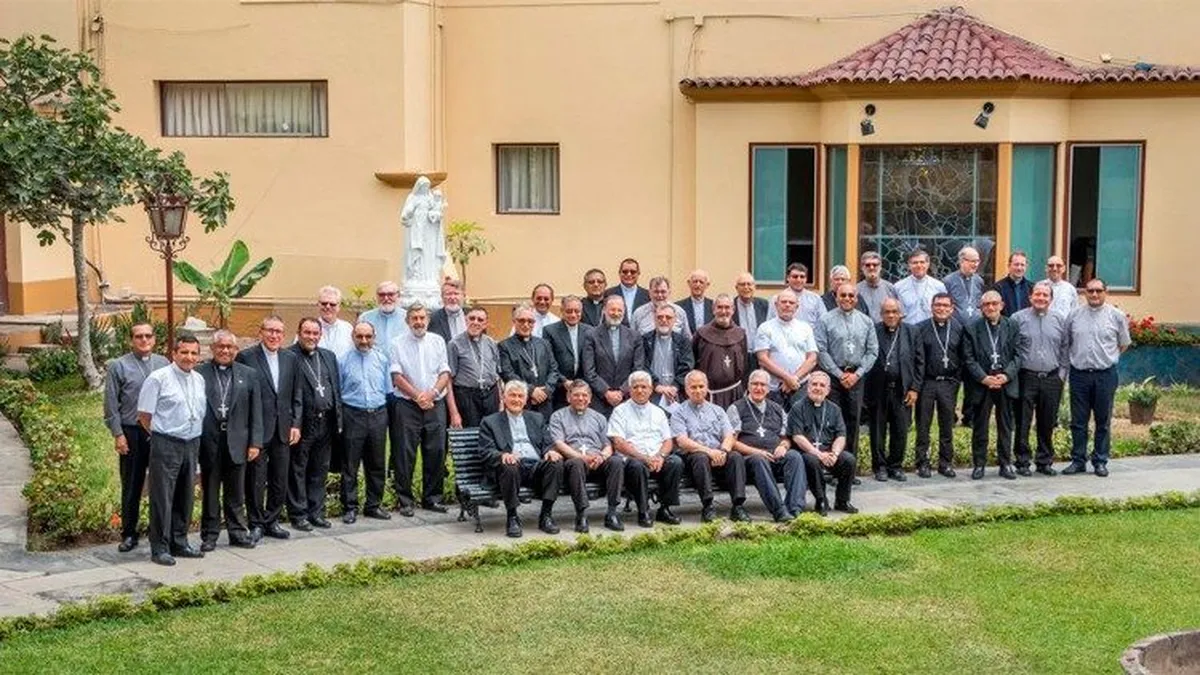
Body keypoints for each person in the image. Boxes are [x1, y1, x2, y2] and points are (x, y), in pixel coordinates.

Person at [136, 334, 206, 566]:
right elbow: (144, 415)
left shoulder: (199, 379)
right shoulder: (158, 378)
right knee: (162, 497)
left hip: (192, 442)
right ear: (174, 353)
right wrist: (162, 435)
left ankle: (180, 542)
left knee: (185, 495)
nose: (189, 357)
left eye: (194, 353)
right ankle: (160, 547)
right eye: (184, 352)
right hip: (166, 442)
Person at [103, 322, 169, 553]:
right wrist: (118, 434)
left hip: (159, 431)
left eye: (148, 336)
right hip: (131, 431)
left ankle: (160, 531)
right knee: (132, 484)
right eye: (139, 336)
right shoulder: (119, 366)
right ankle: (129, 533)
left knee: (162, 484)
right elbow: (111, 404)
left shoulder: (163, 363)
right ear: (131, 340)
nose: (144, 340)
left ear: (154, 339)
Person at [235, 315, 302, 542]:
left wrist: (296, 424)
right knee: (256, 479)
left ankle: (272, 521)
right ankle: (256, 523)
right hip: (258, 430)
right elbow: (242, 397)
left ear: (283, 335)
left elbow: (297, 394)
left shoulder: (291, 358)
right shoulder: (246, 357)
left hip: (283, 429)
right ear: (261, 332)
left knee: (279, 478)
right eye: (270, 330)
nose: (274, 335)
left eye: (278, 332)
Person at [197, 330, 263, 551]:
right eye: (221, 346)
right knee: (211, 491)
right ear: (212, 349)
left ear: (236, 350)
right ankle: (210, 535)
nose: (225, 350)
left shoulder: (249, 374)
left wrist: (255, 442)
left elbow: (256, 411)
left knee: (236, 492)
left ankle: (237, 532)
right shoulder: (200, 373)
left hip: (238, 441)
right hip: (210, 441)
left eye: (230, 347)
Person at [388, 302, 451, 515]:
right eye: (414, 318)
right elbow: (397, 376)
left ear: (428, 320)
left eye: (422, 318)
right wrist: (418, 397)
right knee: (404, 453)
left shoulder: (438, 341)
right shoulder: (397, 343)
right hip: (407, 405)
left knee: (436, 451)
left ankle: (432, 499)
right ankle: (405, 501)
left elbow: (444, 372)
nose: (418, 322)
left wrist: (431, 394)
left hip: (435, 403)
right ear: (407, 321)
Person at [478, 381, 563, 538]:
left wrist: (550, 451)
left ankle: (546, 515)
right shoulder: (490, 422)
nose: (516, 400)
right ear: (504, 398)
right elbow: (485, 451)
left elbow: (547, 443)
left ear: (525, 400)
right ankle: (512, 517)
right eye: (512, 395)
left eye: (520, 396)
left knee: (556, 463)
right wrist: (502, 455)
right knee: (509, 465)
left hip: (535, 467)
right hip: (511, 469)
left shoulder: (537, 418)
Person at [1064, 278, 1131, 477]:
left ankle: (1100, 461)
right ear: (1084, 293)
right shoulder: (1074, 315)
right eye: (1090, 291)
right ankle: (1078, 461)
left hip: (1105, 375)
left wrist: (1107, 358)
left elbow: (1124, 343)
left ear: (1105, 292)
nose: (1094, 294)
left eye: (1098, 291)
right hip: (1079, 375)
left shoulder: (1116, 316)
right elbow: (1068, 342)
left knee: (1103, 420)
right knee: (1078, 421)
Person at [728, 369, 807, 521]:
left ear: (769, 388)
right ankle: (779, 511)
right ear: (748, 386)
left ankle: (795, 508)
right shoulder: (736, 408)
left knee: (794, 456)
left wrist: (783, 446)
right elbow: (732, 442)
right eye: (755, 384)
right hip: (749, 459)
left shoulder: (777, 409)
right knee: (759, 460)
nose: (759, 388)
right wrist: (756, 452)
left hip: (774, 455)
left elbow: (786, 438)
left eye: (763, 385)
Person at [607, 371, 684, 527]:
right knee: (637, 466)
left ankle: (665, 508)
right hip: (633, 459)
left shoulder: (658, 412)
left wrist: (660, 456)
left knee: (675, 462)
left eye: (644, 387)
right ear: (629, 390)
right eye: (635, 387)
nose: (640, 390)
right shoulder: (620, 411)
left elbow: (668, 441)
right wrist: (644, 458)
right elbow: (618, 443)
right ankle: (643, 511)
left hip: (656, 458)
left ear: (650, 389)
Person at [671, 371, 748, 522]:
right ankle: (708, 507)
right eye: (693, 387)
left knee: (735, 457)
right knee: (700, 457)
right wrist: (710, 452)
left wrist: (723, 451)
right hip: (693, 457)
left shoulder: (718, 410)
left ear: (707, 387)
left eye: (701, 386)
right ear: (686, 389)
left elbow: (729, 435)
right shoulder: (678, 413)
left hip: (718, 455)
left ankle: (738, 506)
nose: (698, 390)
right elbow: (682, 441)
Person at [549, 381, 626, 532]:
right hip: (572, 462)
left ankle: (612, 513)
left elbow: (608, 445)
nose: (581, 398)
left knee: (616, 462)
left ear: (590, 398)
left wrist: (602, 456)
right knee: (576, 463)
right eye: (576, 395)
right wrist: (582, 457)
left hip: (597, 461)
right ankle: (581, 514)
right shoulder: (558, 416)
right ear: (568, 397)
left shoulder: (599, 418)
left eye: (584, 395)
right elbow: (559, 444)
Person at [964, 291, 1025, 480]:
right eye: (986, 304)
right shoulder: (972, 328)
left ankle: (1005, 464)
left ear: (1002, 305)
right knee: (980, 425)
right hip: (982, 383)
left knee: (1005, 425)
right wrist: (983, 378)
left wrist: (1006, 375)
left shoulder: (1012, 325)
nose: (991, 307)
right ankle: (979, 464)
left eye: (994, 303)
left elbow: (1018, 355)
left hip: (1005, 382)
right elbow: (968, 358)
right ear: (981, 307)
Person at [288, 317, 342, 531]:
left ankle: (316, 512)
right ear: (299, 333)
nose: (311, 337)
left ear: (320, 335)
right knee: (298, 469)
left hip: (326, 422)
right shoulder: (289, 356)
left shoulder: (328, 356)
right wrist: (294, 423)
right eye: (307, 332)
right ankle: (298, 514)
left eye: (315, 333)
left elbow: (335, 388)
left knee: (320, 469)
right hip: (303, 423)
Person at [338, 322, 393, 524]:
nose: (364, 341)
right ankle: (349, 507)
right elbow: (338, 391)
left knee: (377, 463)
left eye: (368, 337)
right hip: (353, 414)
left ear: (374, 337)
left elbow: (388, 390)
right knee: (350, 464)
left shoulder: (382, 359)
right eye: (359, 336)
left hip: (378, 414)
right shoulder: (342, 360)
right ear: (353, 336)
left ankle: (373, 505)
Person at [814, 283, 878, 459]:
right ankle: (831, 461)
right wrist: (839, 374)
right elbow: (821, 350)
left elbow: (872, 351)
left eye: (851, 295)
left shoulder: (866, 321)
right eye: (843, 295)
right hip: (834, 377)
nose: (847, 299)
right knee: (832, 419)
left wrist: (857, 374)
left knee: (853, 419)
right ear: (836, 297)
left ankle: (849, 463)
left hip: (857, 376)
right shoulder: (825, 320)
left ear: (856, 298)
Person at [1013, 282, 1069, 476]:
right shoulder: (1018, 319)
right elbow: (1012, 347)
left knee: (1047, 421)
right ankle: (1022, 461)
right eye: (1037, 294)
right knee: (1023, 421)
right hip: (1026, 377)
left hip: (1052, 378)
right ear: (1030, 297)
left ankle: (1044, 461)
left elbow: (1065, 348)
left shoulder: (1060, 320)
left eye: (1045, 295)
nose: (1041, 298)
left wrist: (1062, 375)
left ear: (1051, 299)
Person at [866, 298, 922, 482]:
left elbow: (919, 362)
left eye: (894, 312)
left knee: (900, 430)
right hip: (878, 389)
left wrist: (914, 388)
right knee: (877, 431)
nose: (891, 315)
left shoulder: (912, 332)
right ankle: (879, 467)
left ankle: (895, 466)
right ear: (881, 314)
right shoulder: (873, 330)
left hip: (902, 389)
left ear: (901, 314)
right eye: (887, 312)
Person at [788, 371, 857, 515]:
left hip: (829, 452)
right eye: (814, 384)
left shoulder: (835, 409)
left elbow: (841, 435)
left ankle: (842, 500)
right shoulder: (797, 407)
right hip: (807, 452)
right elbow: (797, 437)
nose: (818, 388)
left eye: (822, 385)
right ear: (808, 387)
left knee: (849, 460)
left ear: (828, 390)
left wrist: (835, 454)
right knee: (812, 460)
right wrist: (819, 454)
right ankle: (821, 499)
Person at [914, 293, 966, 478]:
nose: (941, 308)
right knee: (923, 425)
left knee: (947, 425)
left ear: (952, 309)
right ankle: (922, 463)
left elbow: (962, 357)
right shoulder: (920, 328)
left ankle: (945, 463)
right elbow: (917, 359)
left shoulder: (959, 328)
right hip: (927, 382)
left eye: (945, 305)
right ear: (932, 307)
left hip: (948, 383)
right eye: (938, 305)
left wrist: (956, 381)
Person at [755, 289, 819, 411]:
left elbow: (812, 359)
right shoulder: (765, 328)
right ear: (776, 305)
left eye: (791, 302)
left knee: (800, 420)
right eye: (783, 302)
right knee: (775, 420)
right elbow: (762, 359)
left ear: (797, 307)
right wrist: (787, 378)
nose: (787, 305)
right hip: (774, 388)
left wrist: (794, 379)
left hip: (801, 385)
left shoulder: (805, 328)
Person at [943, 246, 986, 427]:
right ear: (961, 261)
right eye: (971, 261)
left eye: (977, 261)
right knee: (954, 377)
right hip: (954, 334)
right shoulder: (948, 281)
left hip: (973, 336)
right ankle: (950, 415)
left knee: (972, 378)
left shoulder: (979, 280)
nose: (975, 264)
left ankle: (969, 415)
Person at [581, 294, 645, 416]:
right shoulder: (591, 335)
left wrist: (622, 391)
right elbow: (589, 371)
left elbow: (637, 369)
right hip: (599, 400)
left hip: (627, 399)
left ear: (624, 312)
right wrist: (606, 392)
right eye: (612, 310)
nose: (616, 313)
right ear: (604, 310)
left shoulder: (634, 336)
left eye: (619, 310)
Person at [498, 304, 561, 418]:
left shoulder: (544, 344)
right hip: (520, 402)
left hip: (544, 402)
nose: (526, 325)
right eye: (521, 321)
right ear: (514, 322)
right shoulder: (504, 346)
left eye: (530, 321)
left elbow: (554, 370)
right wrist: (531, 390)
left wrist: (546, 391)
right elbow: (508, 374)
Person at [445, 305, 501, 429]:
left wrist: (501, 403)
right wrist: (454, 412)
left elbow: (497, 376)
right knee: (470, 436)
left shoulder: (491, 343)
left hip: (490, 395)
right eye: (472, 318)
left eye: (480, 320)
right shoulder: (454, 344)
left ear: (485, 324)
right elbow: (448, 380)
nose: (475, 322)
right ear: (466, 320)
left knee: (492, 434)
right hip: (467, 398)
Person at [693, 293, 748, 407]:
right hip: (709, 395)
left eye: (727, 307)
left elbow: (745, 363)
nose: (723, 311)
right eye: (720, 307)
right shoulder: (701, 333)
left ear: (733, 310)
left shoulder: (741, 334)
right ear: (713, 310)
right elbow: (693, 362)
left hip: (735, 394)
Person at [544, 295, 591, 409]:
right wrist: (563, 381)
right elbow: (549, 361)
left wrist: (581, 383)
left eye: (577, 311)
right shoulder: (550, 331)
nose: (573, 315)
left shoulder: (589, 331)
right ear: (562, 311)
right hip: (559, 390)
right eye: (569, 311)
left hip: (583, 390)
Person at [643, 303, 693, 409]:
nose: (664, 320)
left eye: (668, 317)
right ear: (654, 319)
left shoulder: (683, 342)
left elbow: (687, 366)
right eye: (660, 317)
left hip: (676, 394)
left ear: (674, 320)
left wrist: (675, 386)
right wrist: (656, 385)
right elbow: (642, 365)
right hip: (651, 393)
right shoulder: (645, 340)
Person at [895, 248, 948, 325]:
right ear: (909, 265)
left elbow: (944, 310)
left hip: (931, 328)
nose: (919, 265)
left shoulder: (939, 286)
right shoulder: (899, 287)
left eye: (922, 262)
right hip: (908, 328)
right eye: (915, 263)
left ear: (928, 264)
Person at [733, 272, 769, 374]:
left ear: (754, 287)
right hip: (738, 356)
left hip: (760, 356)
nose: (746, 287)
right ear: (736, 288)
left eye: (749, 284)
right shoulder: (730, 306)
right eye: (742, 284)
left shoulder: (764, 305)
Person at [358, 281, 407, 347]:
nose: (386, 298)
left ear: (398, 296)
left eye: (390, 294)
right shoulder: (365, 318)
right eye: (382, 295)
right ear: (377, 296)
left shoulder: (408, 318)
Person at [605, 257, 650, 324]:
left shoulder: (648, 295)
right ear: (619, 273)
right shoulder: (608, 293)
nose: (629, 274)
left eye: (633, 272)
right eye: (625, 272)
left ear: (638, 273)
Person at [857, 251, 899, 322]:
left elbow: (898, 313)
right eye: (868, 265)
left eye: (875, 265)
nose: (871, 267)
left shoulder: (890, 288)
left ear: (880, 267)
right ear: (862, 267)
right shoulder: (856, 290)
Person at [315, 286, 353, 358]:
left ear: (339, 307)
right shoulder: (308, 328)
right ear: (318, 305)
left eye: (332, 304)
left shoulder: (348, 328)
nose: (328, 307)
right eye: (324, 303)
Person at [428, 279, 467, 344]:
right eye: (448, 294)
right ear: (442, 297)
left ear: (464, 296)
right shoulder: (434, 318)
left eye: (456, 294)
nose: (452, 297)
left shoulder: (472, 316)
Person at [994, 250, 1032, 317]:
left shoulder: (1032, 288)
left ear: (1026, 266)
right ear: (1009, 266)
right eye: (1016, 264)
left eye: (1022, 265)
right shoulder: (998, 288)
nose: (1019, 268)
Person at [676, 269, 714, 334]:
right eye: (695, 281)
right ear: (689, 283)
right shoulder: (679, 306)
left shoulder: (713, 306)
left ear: (707, 285)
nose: (698, 285)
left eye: (701, 282)